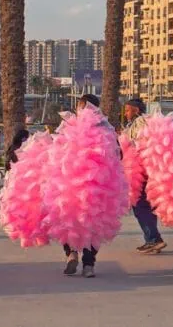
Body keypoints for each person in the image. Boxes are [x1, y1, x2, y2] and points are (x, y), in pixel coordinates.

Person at [62, 94, 103, 278]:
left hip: (70, 185)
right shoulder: (106, 128)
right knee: (93, 227)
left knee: (67, 220)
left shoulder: (71, 126)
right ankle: (88, 265)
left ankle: (71, 253)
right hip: (100, 188)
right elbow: (118, 156)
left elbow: (57, 154)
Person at [123, 97, 166, 255]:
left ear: (135, 110)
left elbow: (139, 144)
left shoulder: (140, 122)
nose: (125, 113)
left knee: (140, 206)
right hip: (144, 169)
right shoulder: (139, 122)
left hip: (140, 171)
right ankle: (153, 238)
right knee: (145, 206)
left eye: (127, 110)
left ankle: (153, 239)